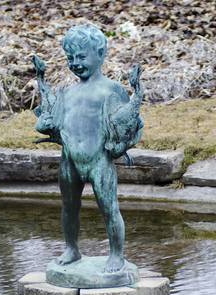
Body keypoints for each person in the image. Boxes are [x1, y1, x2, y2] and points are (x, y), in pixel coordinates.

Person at [33, 24, 143, 273]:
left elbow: (126, 122)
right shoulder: (66, 92)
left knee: (108, 207)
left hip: (99, 159)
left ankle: (116, 255)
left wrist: (124, 141)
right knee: (69, 206)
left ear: (101, 54)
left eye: (81, 56)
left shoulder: (112, 89)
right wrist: (43, 124)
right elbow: (51, 122)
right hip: (69, 158)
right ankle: (72, 249)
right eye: (70, 58)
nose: (75, 63)